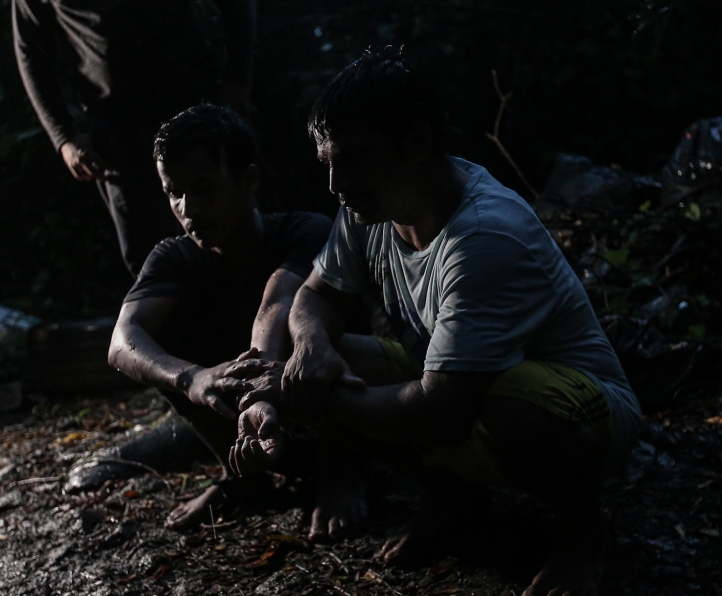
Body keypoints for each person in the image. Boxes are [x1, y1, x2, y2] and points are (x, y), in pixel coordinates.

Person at [232, 49, 641, 596]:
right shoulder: (370, 206)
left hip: (581, 407)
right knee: (329, 356)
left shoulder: (484, 236)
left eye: (352, 158)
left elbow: (442, 413)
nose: (334, 183)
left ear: (417, 141)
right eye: (328, 162)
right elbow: (315, 294)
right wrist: (310, 350)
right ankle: (455, 497)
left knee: (509, 406)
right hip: (457, 382)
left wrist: (311, 394)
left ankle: (581, 529)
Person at [106, 105, 365, 536]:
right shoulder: (172, 258)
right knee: (156, 349)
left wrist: (258, 388)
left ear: (248, 180)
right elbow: (122, 340)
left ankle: (342, 471)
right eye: (173, 192)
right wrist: (192, 378)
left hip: (331, 415)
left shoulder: (305, 231)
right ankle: (243, 476)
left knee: (320, 329)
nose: (188, 208)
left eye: (204, 188)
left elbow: (277, 302)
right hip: (249, 420)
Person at [12, 0, 255, 275]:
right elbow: (31, 53)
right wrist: (63, 136)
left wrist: (237, 83)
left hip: (197, 113)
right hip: (116, 134)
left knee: (236, 238)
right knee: (150, 260)